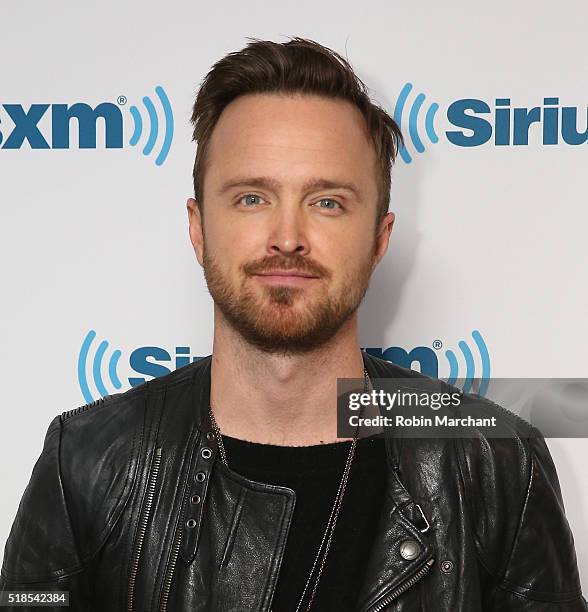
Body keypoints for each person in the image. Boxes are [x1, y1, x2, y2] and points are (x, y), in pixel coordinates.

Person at [1, 37, 586, 612]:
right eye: (252, 198)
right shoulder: (83, 461)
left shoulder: (495, 463)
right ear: (198, 227)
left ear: (379, 238)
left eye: (327, 201)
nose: (287, 237)